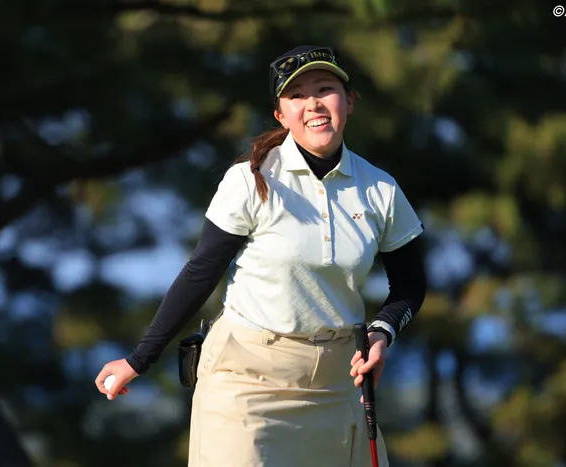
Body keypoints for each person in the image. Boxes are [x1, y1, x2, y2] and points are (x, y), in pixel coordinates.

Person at [95, 45, 427, 467]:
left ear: (349, 101)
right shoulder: (250, 179)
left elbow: (410, 284)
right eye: (297, 95)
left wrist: (382, 332)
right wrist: (139, 359)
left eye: (324, 89)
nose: (313, 104)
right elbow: (201, 272)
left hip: (338, 385)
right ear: (280, 115)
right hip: (246, 380)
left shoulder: (380, 189)